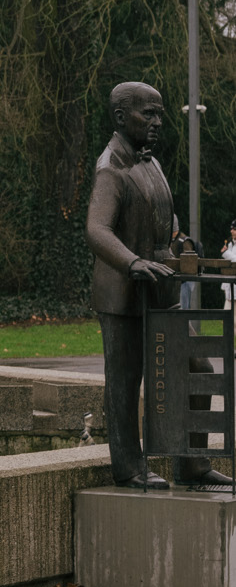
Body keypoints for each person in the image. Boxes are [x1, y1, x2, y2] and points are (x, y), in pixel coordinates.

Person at [86, 80, 227, 491]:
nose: (157, 122)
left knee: (198, 367)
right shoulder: (110, 168)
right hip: (124, 294)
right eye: (147, 113)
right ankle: (128, 467)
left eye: (160, 114)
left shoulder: (152, 164)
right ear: (120, 116)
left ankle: (192, 463)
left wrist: (180, 242)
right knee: (125, 382)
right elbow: (97, 229)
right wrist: (132, 262)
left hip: (162, 290)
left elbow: (166, 220)